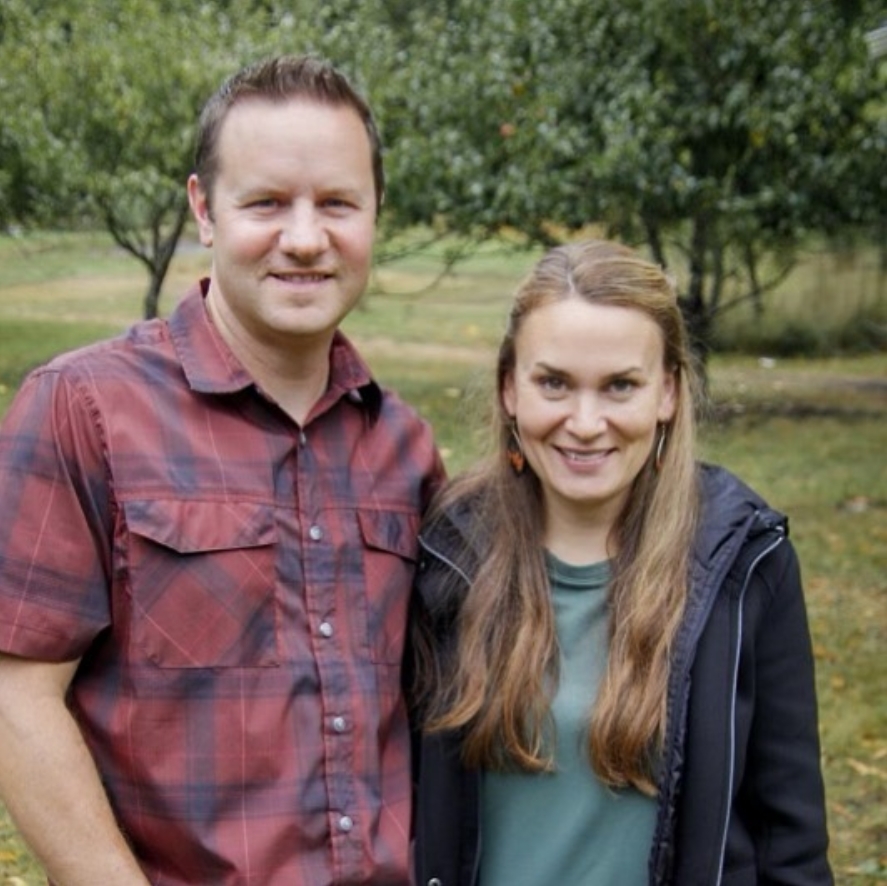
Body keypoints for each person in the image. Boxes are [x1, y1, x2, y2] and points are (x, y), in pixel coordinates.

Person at [0, 55, 444, 885]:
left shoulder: (404, 447)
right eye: (268, 202)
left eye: (338, 203)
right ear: (204, 208)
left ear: (376, 212)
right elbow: (14, 697)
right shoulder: (83, 410)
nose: (306, 238)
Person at [408, 239, 833, 885]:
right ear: (508, 389)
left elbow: (788, 838)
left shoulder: (745, 566)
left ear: (665, 392)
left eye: (619, 387)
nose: (585, 422)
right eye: (553, 382)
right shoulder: (448, 554)